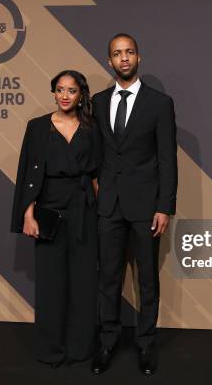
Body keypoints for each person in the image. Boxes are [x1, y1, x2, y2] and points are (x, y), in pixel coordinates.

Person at [90, 33, 178, 376]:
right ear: (109, 61)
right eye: (116, 53)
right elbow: (96, 151)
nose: (123, 58)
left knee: (147, 282)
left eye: (129, 52)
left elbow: (167, 160)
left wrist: (164, 206)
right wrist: (97, 185)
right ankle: (107, 342)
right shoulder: (96, 102)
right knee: (108, 279)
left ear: (139, 58)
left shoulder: (160, 103)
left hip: (146, 207)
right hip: (108, 204)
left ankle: (146, 345)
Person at [11, 70, 101, 367]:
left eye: (71, 90)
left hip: (84, 209)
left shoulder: (92, 127)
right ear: (53, 92)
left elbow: (100, 172)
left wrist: (99, 207)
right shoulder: (37, 127)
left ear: (80, 95)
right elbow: (27, 173)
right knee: (51, 283)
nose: (65, 95)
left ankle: (80, 348)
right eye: (60, 89)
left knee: (84, 282)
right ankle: (51, 349)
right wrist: (27, 214)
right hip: (48, 210)